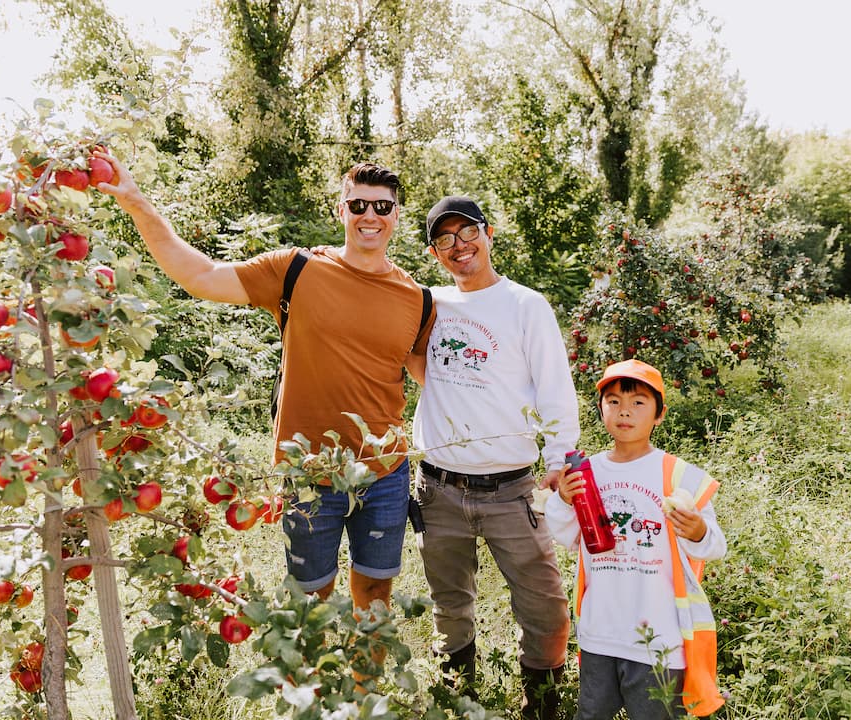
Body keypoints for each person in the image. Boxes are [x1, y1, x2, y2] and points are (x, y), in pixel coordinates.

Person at [97, 155, 433, 615]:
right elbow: (199, 275)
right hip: (309, 471)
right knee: (310, 600)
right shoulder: (296, 270)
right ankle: (312, 686)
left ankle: (362, 684)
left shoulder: (418, 299)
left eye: (381, 207)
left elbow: (435, 377)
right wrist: (138, 204)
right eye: (358, 206)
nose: (369, 216)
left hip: (384, 472)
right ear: (341, 211)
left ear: (396, 215)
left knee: (375, 598)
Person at [409, 196, 578, 720]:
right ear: (435, 253)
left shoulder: (526, 305)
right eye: (445, 240)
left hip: (511, 489)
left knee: (545, 606)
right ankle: (457, 701)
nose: (459, 247)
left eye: (467, 233)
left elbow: (555, 388)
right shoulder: (428, 304)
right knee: (449, 606)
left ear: (488, 233)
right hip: (437, 488)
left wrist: (561, 459)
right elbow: (415, 362)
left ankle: (542, 706)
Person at [544, 359, 728, 720]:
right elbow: (565, 535)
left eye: (638, 403)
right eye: (613, 401)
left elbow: (714, 545)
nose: (624, 411)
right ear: (600, 410)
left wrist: (698, 532)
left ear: (659, 414)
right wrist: (563, 500)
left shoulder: (679, 476)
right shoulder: (585, 472)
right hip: (600, 633)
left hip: (659, 639)